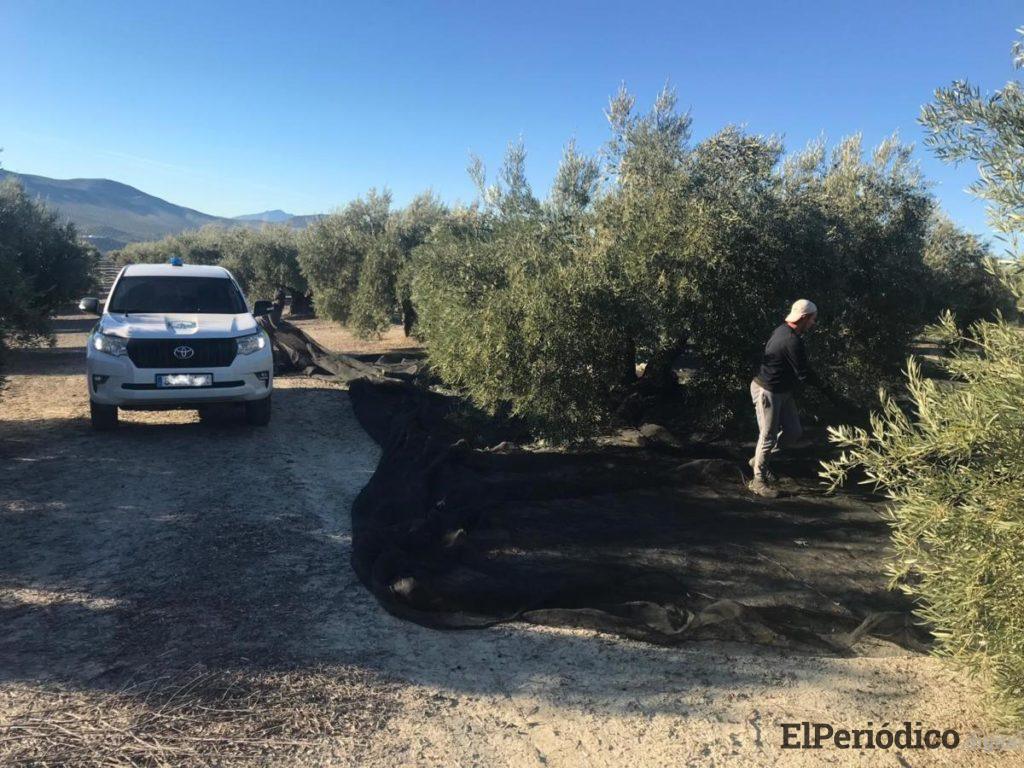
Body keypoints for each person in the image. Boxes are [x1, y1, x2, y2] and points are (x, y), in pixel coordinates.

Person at [748, 299, 831, 498]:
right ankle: (758, 480)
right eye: (813, 320)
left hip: (781, 390)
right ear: (804, 318)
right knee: (767, 436)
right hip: (767, 391)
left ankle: (758, 460)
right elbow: (804, 373)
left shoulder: (784, 330)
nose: (813, 324)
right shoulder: (791, 340)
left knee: (794, 432)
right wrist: (827, 390)